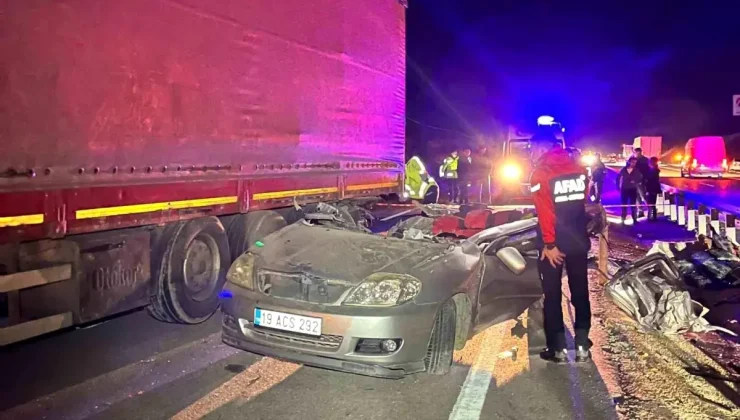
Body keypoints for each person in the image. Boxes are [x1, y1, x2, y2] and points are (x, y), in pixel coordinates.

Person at [529, 132, 592, 363]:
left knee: (553, 294)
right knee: (580, 291)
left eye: (532, 149)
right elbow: (583, 199)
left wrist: (550, 244)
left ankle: (557, 348)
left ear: (540, 148)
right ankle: (583, 344)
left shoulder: (541, 174)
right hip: (577, 239)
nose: (531, 154)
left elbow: (546, 213)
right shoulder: (579, 169)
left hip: (554, 243)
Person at [616, 157, 643, 224]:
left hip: (632, 189)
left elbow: (640, 179)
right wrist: (618, 187)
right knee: (623, 205)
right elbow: (618, 178)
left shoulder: (637, 170)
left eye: (635, 162)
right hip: (624, 189)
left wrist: (635, 182)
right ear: (629, 162)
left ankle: (634, 219)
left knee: (633, 205)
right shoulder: (623, 170)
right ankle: (623, 219)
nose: (634, 164)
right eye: (633, 162)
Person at [644, 157, 662, 221]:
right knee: (652, 203)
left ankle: (651, 217)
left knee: (651, 203)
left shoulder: (653, 171)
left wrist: (647, 188)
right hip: (653, 189)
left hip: (652, 189)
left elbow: (652, 181)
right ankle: (652, 217)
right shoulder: (654, 170)